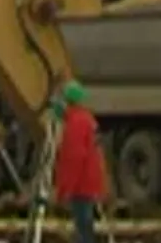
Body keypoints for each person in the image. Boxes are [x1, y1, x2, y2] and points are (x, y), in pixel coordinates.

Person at [50, 80, 106, 243]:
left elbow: (74, 158)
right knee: (85, 225)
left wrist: (65, 189)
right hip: (88, 183)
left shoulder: (76, 123)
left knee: (83, 227)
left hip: (81, 186)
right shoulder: (85, 119)